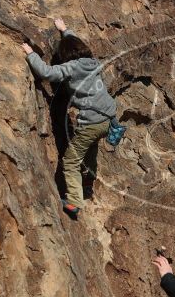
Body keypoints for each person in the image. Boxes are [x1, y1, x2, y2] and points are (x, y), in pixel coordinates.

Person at [21, 18, 122, 217]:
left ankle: (74, 202)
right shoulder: (93, 62)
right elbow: (75, 42)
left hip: (92, 122)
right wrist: (65, 30)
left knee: (70, 161)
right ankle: (87, 180)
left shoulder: (72, 67)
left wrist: (31, 54)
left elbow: (47, 73)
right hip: (108, 118)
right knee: (91, 147)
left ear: (66, 55)